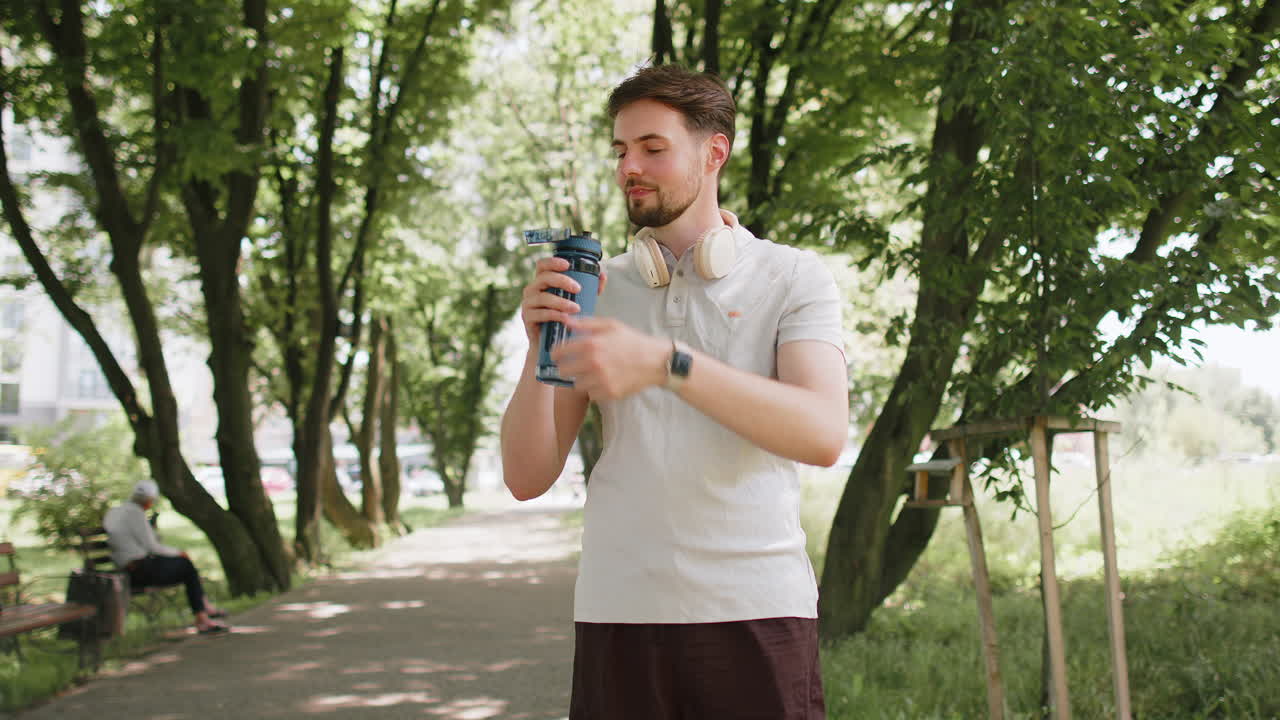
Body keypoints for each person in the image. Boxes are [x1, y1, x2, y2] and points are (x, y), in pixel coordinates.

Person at [500, 64, 848, 719]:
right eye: (621, 151)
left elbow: (823, 433)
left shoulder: (793, 277)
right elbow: (526, 476)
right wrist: (537, 342)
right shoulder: (599, 289)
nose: (629, 167)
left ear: (714, 153)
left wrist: (669, 364)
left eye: (652, 148)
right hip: (618, 611)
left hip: (758, 609)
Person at [103, 480, 230, 635]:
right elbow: (153, 547)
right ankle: (202, 617)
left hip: (125, 570)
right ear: (149, 501)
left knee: (184, 566)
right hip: (139, 571)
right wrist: (179, 552)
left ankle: (205, 608)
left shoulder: (115, 511)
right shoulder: (135, 513)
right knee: (186, 565)